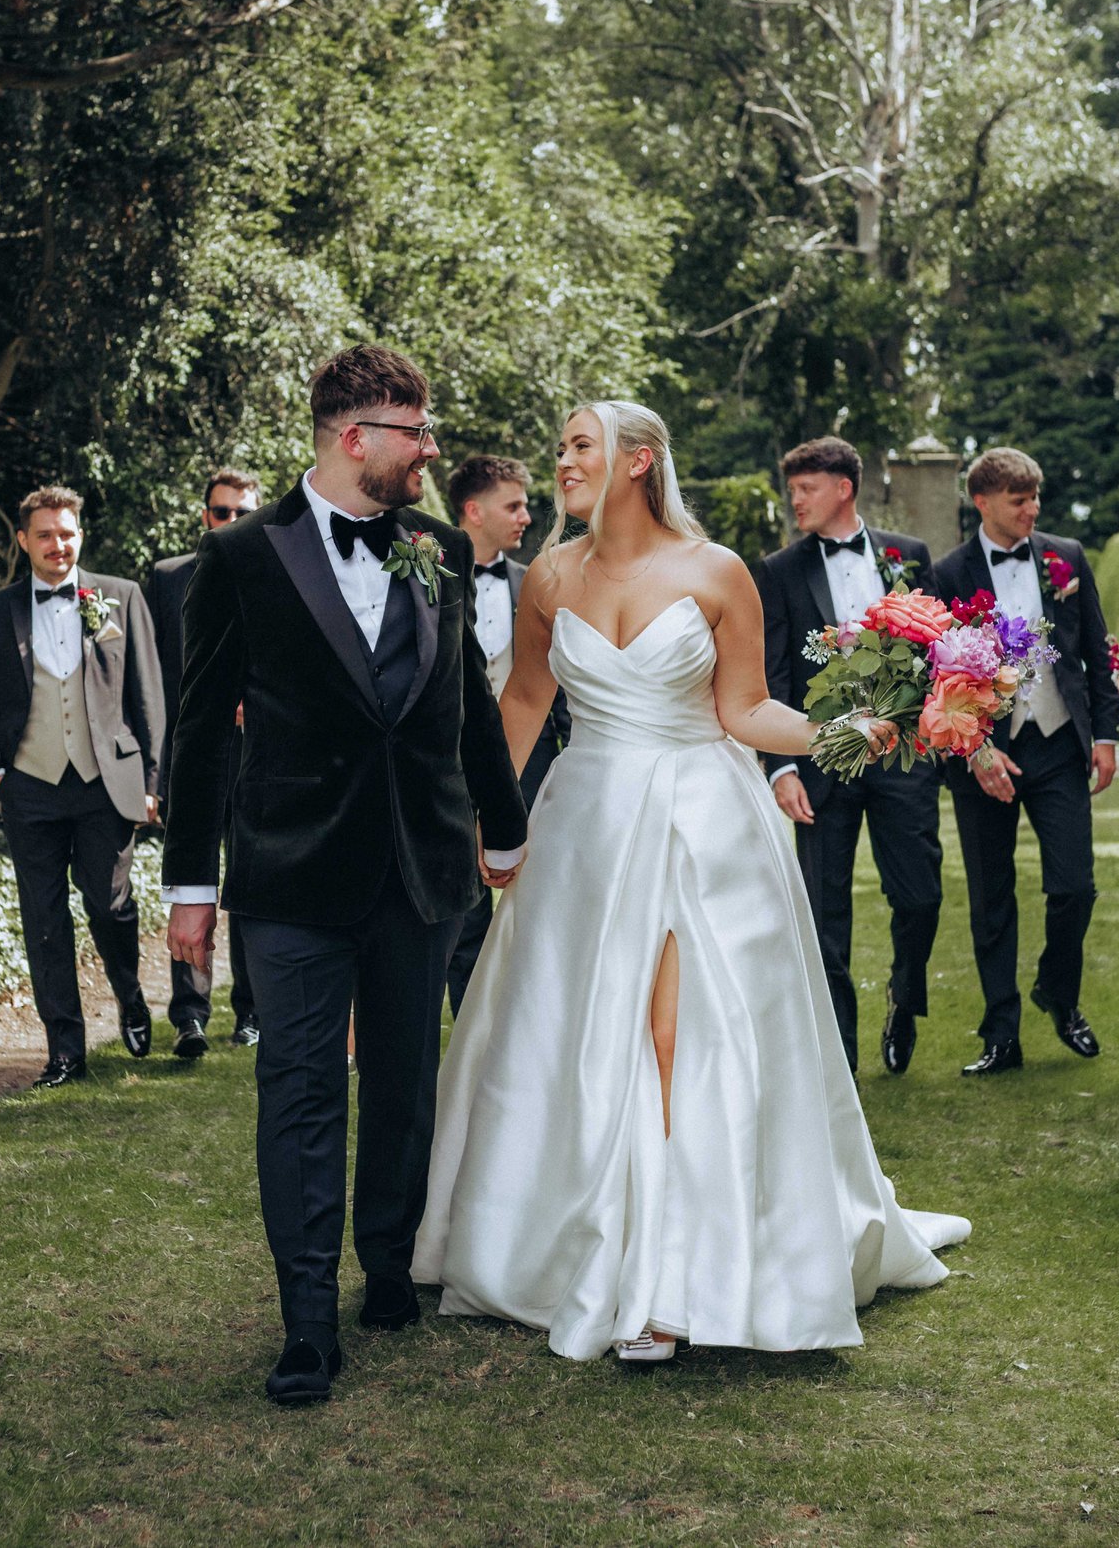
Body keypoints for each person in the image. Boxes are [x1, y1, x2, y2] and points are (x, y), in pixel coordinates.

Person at [413, 400, 968, 1365]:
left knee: (677, 1035)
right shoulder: (551, 573)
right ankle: (581, 1243)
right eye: (562, 448)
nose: (564, 461)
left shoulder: (719, 573)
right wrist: (479, 818)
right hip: (587, 823)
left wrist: (839, 733)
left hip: (703, 817)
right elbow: (527, 701)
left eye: (580, 444)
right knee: (584, 1031)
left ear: (638, 460)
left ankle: (671, 1281)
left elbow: (745, 708)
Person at [160, 344, 528, 1407]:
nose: (430, 449)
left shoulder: (437, 549)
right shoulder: (241, 559)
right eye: (416, 432)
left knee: (407, 1085)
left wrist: (501, 831)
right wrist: (190, 882)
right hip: (291, 871)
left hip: (420, 866)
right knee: (302, 1089)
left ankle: (387, 1266)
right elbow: (196, 731)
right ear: (354, 437)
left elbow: (463, 706)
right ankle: (306, 1321)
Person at [928, 447, 1119, 1076]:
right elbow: (933, 674)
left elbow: (1094, 644)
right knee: (991, 897)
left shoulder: (1066, 557)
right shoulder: (948, 570)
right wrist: (977, 750)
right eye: (1020, 499)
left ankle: (1059, 997)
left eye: (1036, 497)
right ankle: (1001, 1034)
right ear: (982, 503)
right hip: (983, 752)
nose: (1032, 509)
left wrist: (1106, 735)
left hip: (1058, 743)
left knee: (1075, 886)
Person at [0, 486, 165, 1088]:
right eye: (46, 533)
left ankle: (129, 994)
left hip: (106, 782)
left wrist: (153, 780)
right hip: (31, 786)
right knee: (44, 919)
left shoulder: (120, 598)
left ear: (81, 535)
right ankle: (65, 1052)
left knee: (109, 903)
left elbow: (148, 697)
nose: (59, 544)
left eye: (68, 532)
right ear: (24, 540)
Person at [754, 436, 943, 1073]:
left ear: (843, 488)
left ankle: (903, 997)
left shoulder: (907, 556)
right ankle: (838, 1052)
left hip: (902, 760)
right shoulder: (778, 570)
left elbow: (940, 651)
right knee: (823, 911)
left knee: (919, 897)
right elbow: (771, 674)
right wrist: (780, 767)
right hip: (820, 763)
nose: (796, 500)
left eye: (806, 489)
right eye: (793, 490)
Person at [443, 454, 573, 1015]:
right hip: (451, 761)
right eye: (513, 505)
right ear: (474, 510)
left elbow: (559, 679)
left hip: (536, 762)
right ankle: (473, 1023)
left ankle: (532, 1019)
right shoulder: (429, 573)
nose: (526, 516)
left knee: (537, 899)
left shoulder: (538, 583)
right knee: (464, 910)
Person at [146, 467, 263, 1051]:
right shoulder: (167, 580)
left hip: (258, 752)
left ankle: (250, 1013)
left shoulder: (280, 572)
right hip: (193, 753)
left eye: (244, 513)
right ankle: (189, 1014)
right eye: (222, 513)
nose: (233, 523)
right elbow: (152, 672)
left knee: (247, 879)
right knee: (191, 877)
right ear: (204, 517)